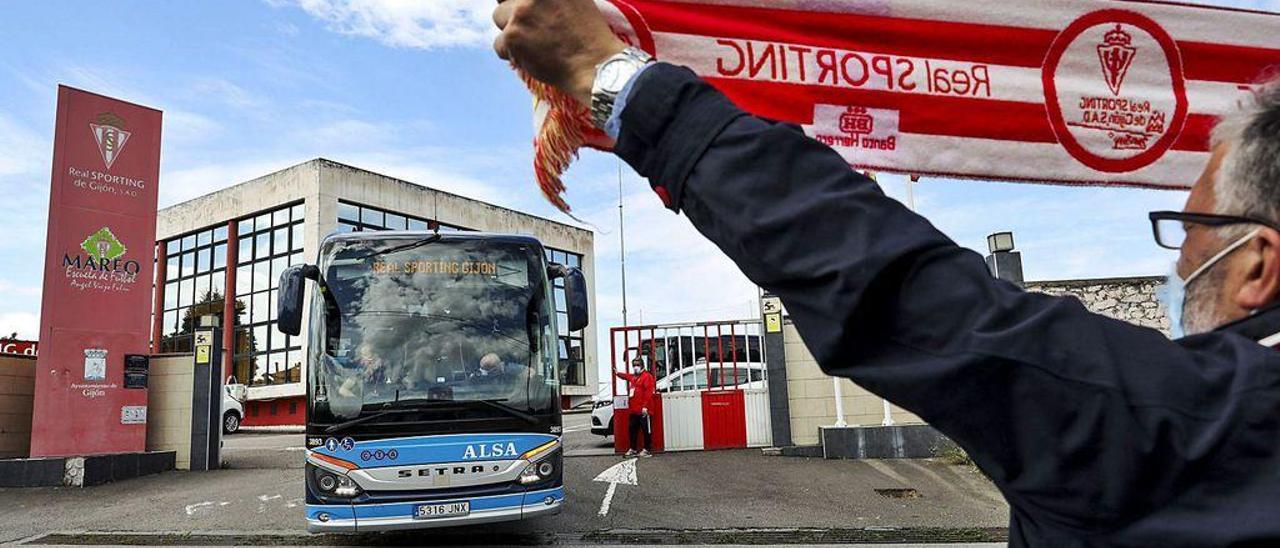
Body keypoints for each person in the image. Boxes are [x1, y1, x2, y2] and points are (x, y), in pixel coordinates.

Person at [492, 2, 1280, 544]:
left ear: (1259, 262)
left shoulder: (1205, 422)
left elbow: (895, 287)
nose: (1176, 258)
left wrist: (609, 72)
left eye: (1189, 227)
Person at [615, 358, 656, 457]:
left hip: (643, 410)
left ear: (642, 365)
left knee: (646, 430)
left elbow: (649, 392)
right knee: (632, 430)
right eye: (634, 365)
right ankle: (633, 448)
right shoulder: (634, 377)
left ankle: (647, 449)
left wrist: (645, 406)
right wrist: (617, 373)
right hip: (634, 410)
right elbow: (626, 376)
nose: (635, 367)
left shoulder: (647, 377)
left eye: (637, 365)